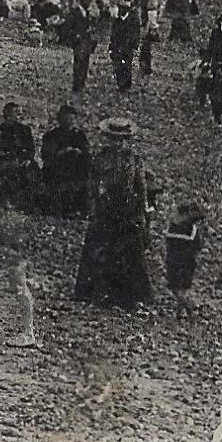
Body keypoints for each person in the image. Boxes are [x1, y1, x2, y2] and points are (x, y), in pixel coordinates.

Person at [72, 118, 159, 310]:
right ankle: (96, 292)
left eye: (121, 140)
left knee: (130, 251)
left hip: (128, 209)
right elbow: (93, 186)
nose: (117, 143)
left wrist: (144, 210)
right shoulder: (100, 158)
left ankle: (131, 296)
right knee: (100, 249)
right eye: (113, 139)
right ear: (107, 139)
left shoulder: (133, 159)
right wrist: (93, 207)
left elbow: (141, 186)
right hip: (106, 208)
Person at [0, 102, 41, 212]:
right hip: (4, 162)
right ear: (7, 113)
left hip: (22, 161)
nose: (18, 115)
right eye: (15, 112)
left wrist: (27, 159)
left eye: (19, 113)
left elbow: (31, 149)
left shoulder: (25, 130)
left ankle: (28, 204)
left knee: (33, 173)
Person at [40, 104, 91, 219]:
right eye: (66, 119)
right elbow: (47, 155)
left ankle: (80, 209)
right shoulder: (51, 135)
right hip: (57, 169)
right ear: (59, 120)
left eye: (72, 119)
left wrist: (76, 151)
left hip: (76, 169)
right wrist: (63, 152)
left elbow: (86, 153)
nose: (70, 122)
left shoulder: (79, 135)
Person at [164, 201, 207, 318]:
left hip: (175, 261)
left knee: (176, 288)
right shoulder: (192, 230)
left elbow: (168, 243)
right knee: (182, 288)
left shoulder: (172, 228)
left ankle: (183, 311)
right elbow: (198, 246)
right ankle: (186, 310)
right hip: (186, 261)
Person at [58, 0, 96, 94]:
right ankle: (77, 86)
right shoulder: (75, 13)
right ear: (82, 1)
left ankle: (81, 84)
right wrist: (72, 38)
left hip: (85, 41)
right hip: (78, 41)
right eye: (87, 1)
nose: (89, 3)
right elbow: (67, 27)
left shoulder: (86, 13)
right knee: (79, 63)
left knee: (85, 63)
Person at [110, 0, 142, 92]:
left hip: (127, 47)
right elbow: (113, 34)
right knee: (118, 65)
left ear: (126, 10)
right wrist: (111, 46)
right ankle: (121, 84)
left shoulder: (132, 20)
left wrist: (134, 45)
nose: (119, 11)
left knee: (126, 65)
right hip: (117, 47)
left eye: (121, 9)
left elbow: (136, 34)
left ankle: (126, 84)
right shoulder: (117, 20)